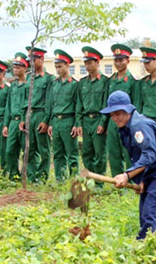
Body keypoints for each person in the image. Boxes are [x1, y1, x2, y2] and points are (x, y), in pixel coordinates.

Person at [103, 91, 156, 239]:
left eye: (118, 114)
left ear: (128, 110)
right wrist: (141, 180)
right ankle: (149, 244)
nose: (115, 118)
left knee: (151, 210)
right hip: (153, 170)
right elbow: (137, 156)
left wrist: (126, 175)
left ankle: (147, 250)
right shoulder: (125, 128)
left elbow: (149, 155)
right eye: (112, 115)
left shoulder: (139, 126)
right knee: (145, 212)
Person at [47, 49, 80, 181]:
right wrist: (50, 123)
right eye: (56, 67)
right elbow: (51, 105)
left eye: (60, 66)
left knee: (72, 153)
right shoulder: (55, 84)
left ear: (67, 65)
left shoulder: (74, 84)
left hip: (68, 120)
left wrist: (76, 124)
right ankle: (60, 179)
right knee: (58, 153)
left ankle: (74, 179)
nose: (58, 69)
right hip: (56, 121)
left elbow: (78, 105)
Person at [76, 46, 110, 179]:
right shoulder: (82, 83)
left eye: (90, 63)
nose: (87, 66)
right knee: (86, 152)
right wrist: (79, 123)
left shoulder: (105, 82)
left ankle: (99, 181)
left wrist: (103, 122)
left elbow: (106, 104)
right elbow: (79, 104)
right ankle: (89, 179)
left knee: (99, 153)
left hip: (98, 119)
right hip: (86, 120)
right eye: (85, 63)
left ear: (97, 63)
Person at [106, 44, 136, 177]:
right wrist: (105, 123)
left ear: (127, 61)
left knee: (128, 152)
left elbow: (135, 104)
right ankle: (116, 181)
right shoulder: (111, 80)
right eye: (116, 60)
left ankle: (130, 180)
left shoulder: (132, 81)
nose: (118, 63)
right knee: (113, 153)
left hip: (127, 122)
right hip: (113, 122)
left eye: (121, 60)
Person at [26, 47, 55, 183]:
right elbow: (25, 100)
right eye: (29, 59)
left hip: (41, 114)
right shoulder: (28, 77)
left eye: (34, 59)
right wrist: (23, 118)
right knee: (30, 147)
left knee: (43, 149)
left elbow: (50, 101)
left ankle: (42, 177)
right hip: (29, 116)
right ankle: (31, 176)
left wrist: (46, 120)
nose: (31, 62)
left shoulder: (49, 79)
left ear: (42, 59)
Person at [3, 53, 30, 180]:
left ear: (25, 68)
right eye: (14, 67)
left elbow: (28, 105)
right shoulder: (13, 85)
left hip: (24, 122)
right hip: (13, 122)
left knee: (27, 150)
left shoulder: (28, 84)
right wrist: (6, 124)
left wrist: (24, 120)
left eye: (18, 67)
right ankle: (14, 175)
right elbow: (8, 106)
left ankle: (27, 175)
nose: (15, 70)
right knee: (10, 151)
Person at [133, 47, 156, 129]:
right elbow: (138, 106)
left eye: (148, 62)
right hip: (144, 122)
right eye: (144, 63)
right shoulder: (142, 83)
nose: (146, 66)